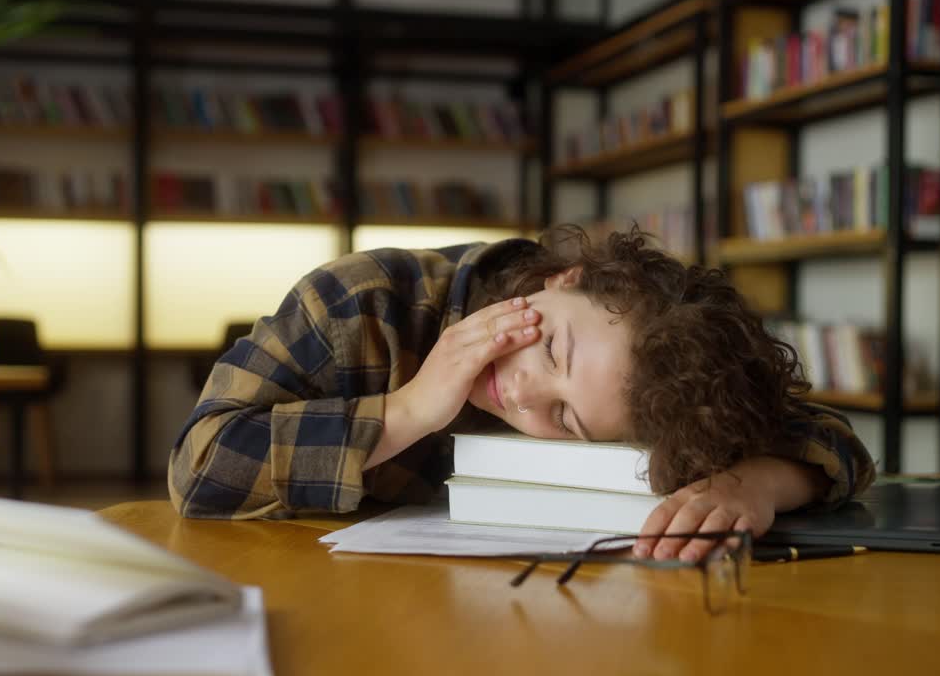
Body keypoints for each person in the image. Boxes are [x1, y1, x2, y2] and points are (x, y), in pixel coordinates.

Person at [168, 224, 874, 564]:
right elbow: (198, 464)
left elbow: (834, 439)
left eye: (566, 418)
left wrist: (757, 481)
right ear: (562, 278)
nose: (527, 395)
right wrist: (409, 410)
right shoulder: (363, 302)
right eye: (550, 346)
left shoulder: (649, 386)